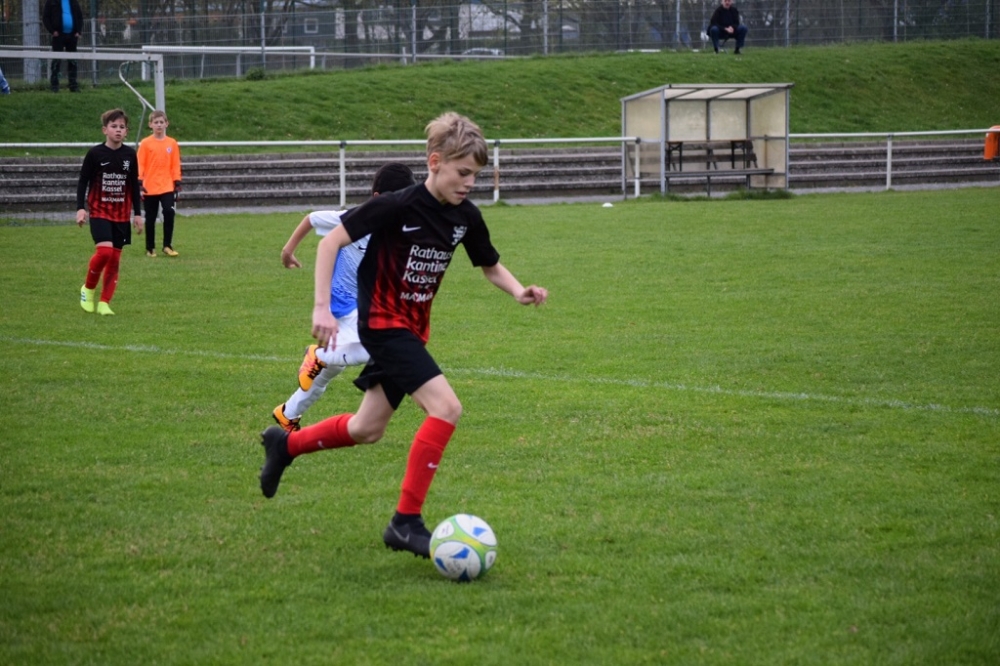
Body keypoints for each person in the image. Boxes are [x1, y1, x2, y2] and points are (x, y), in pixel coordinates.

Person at [258, 112, 549, 560]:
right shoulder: (397, 205)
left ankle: (285, 445)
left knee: (367, 428)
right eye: (463, 173)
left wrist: (518, 290)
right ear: (435, 162)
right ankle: (405, 521)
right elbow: (330, 242)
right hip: (383, 324)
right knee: (447, 408)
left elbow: (489, 265)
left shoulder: (466, 217)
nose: (470, 183)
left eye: (475, 174)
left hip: (412, 329)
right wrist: (321, 308)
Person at [272, 162, 416, 433]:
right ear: (377, 198)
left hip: (365, 303)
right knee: (374, 348)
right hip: (341, 301)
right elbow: (312, 218)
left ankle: (287, 414)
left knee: (327, 372)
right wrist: (287, 251)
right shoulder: (354, 218)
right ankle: (317, 354)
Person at [77, 109, 144, 316]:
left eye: (122, 127)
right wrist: (80, 208)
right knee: (104, 252)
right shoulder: (95, 154)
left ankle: (104, 303)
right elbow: (83, 181)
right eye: (114, 126)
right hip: (99, 211)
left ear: (126, 132)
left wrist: (138, 214)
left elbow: (133, 185)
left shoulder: (130, 155)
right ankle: (88, 289)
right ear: (105, 130)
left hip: (122, 214)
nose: (118, 130)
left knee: (114, 260)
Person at [137, 110, 183, 258]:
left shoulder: (172, 143)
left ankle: (167, 245)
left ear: (166, 124)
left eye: (161, 122)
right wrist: (139, 181)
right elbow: (140, 163)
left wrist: (177, 181)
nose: (159, 125)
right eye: (156, 122)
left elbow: (175, 164)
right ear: (150, 124)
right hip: (150, 186)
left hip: (167, 185)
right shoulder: (145, 143)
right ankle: (150, 247)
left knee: (169, 212)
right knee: (150, 217)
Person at [42, 0, 84, 92]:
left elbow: (80, 17)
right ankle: (54, 86)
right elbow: (45, 17)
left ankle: (73, 85)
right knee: (56, 61)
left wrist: (78, 31)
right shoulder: (52, 2)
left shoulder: (73, 2)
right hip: (58, 35)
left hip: (72, 35)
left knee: (73, 61)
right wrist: (52, 31)